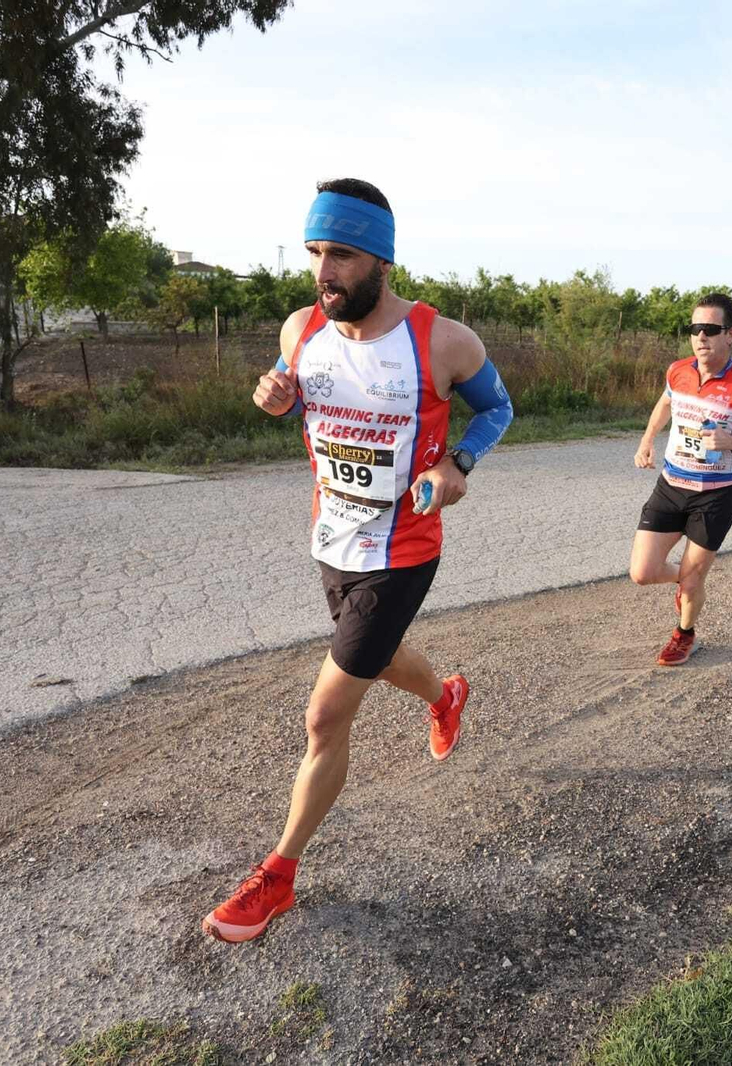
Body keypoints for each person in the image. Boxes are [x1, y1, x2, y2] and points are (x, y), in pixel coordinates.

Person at [202, 178, 514, 943]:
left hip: (403, 548)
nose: (323, 271)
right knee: (374, 660)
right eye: (315, 252)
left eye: (339, 253)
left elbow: (498, 408)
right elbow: (314, 407)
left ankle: (278, 875)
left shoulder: (443, 340)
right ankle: (444, 697)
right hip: (332, 539)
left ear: (380, 256)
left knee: (325, 713)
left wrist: (458, 465)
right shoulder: (300, 330)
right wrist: (282, 402)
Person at [629, 293, 732, 664]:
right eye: (695, 329)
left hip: (715, 496)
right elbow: (666, 403)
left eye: (710, 330)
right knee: (642, 572)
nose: (700, 337)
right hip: (671, 485)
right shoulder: (677, 371)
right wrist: (647, 440)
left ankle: (685, 632)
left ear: (730, 335)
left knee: (694, 579)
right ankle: (688, 582)